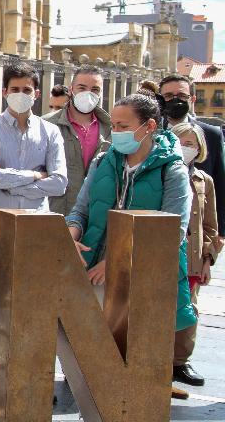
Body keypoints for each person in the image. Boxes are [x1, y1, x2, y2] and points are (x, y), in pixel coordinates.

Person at [66, 94, 195, 400]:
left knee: (139, 360)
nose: (116, 132)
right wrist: (70, 233)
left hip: (147, 280)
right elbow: (80, 210)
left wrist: (116, 263)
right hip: (97, 272)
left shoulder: (172, 171)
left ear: (149, 126)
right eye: (114, 124)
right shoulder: (102, 162)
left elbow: (171, 231)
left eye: (124, 125)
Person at [0, 64, 67, 405]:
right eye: (16, 88)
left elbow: (59, 182)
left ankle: (31, 375)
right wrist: (32, 176)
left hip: (35, 229)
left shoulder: (50, 133)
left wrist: (9, 177)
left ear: (37, 94)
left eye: (28, 90)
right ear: (5, 91)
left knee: (35, 306)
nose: (22, 95)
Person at [171, 121, 218, 391]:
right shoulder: (164, 173)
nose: (186, 148)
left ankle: (180, 362)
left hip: (193, 257)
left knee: (189, 310)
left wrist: (209, 258)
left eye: (191, 144)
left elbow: (210, 225)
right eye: (181, 142)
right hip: (168, 254)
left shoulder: (204, 180)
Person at [159, 74, 225, 237]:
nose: (175, 100)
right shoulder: (149, 133)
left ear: (193, 98)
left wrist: (220, 234)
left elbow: (220, 184)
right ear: (160, 100)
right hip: (158, 226)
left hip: (198, 231)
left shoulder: (211, 134)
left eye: (182, 96)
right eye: (168, 96)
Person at [44, 67, 111, 218]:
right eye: (82, 88)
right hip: (55, 214)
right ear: (71, 89)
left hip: (96, 217)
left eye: (95, 89)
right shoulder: (47, 125)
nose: (88, 93)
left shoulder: (112, 128)